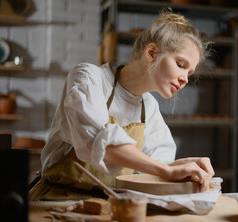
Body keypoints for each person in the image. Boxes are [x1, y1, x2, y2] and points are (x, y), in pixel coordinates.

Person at [29, 8, 215, 200]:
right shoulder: (88, 78)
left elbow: (156, 167)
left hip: (108, 206)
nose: (185, 79)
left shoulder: (148, 107)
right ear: (151, 53)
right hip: (56, 201)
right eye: (181, 65)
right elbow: (104, 145)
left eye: (189, 74)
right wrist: (167, 171)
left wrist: (184, 166)